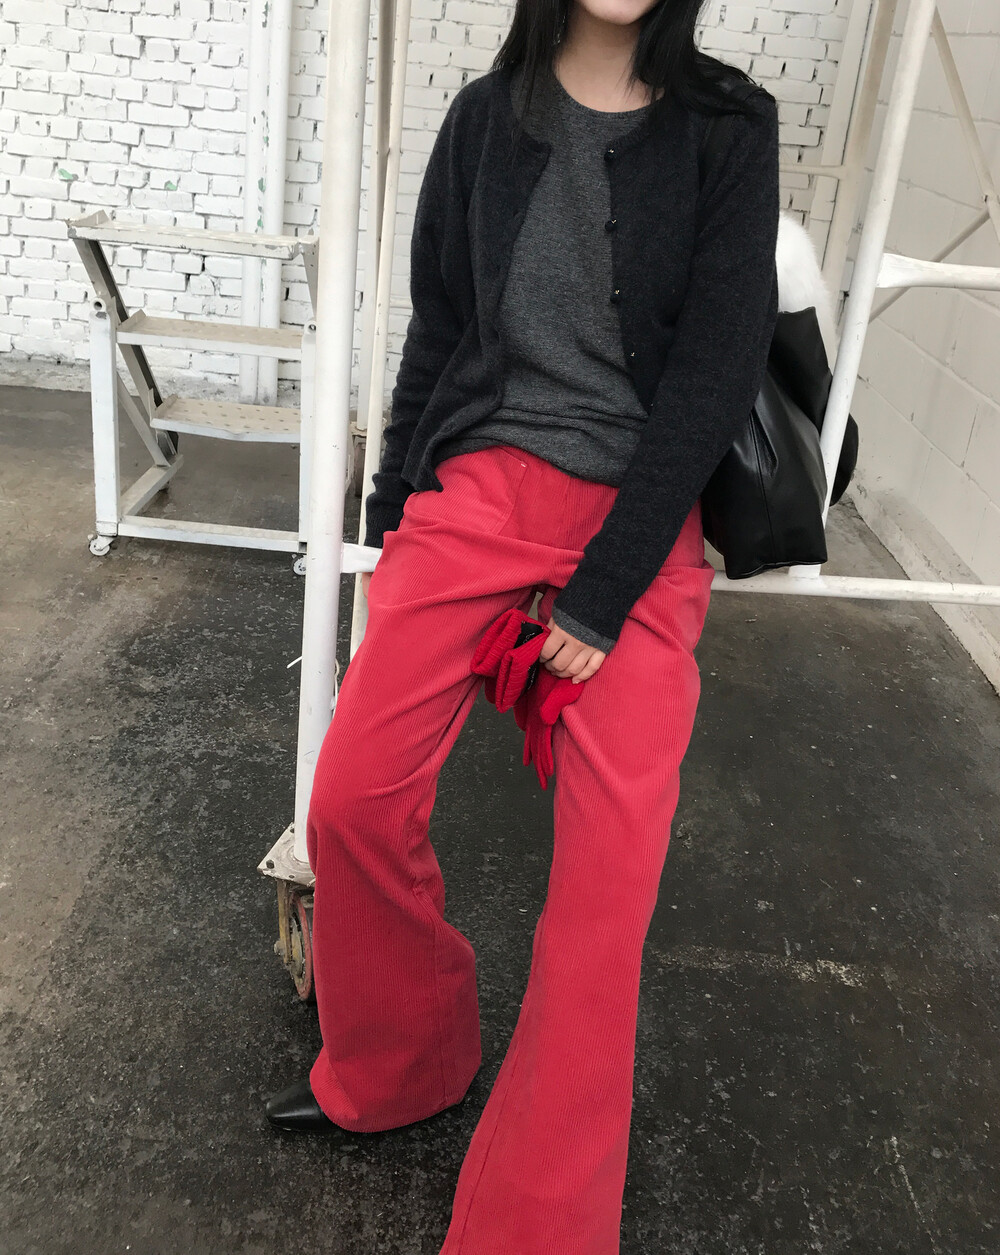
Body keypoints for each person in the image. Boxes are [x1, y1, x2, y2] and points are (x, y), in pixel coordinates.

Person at [265, 1, 780, 1251]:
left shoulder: (728, 124)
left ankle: (536, 1225)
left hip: (639, 524)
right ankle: (403, 1057)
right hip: (478, 490)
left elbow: (717, 369)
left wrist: (603, 590)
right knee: (352, 799)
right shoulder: (485, 119)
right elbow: (440, 330)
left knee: (607, 890)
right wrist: (397, 517)